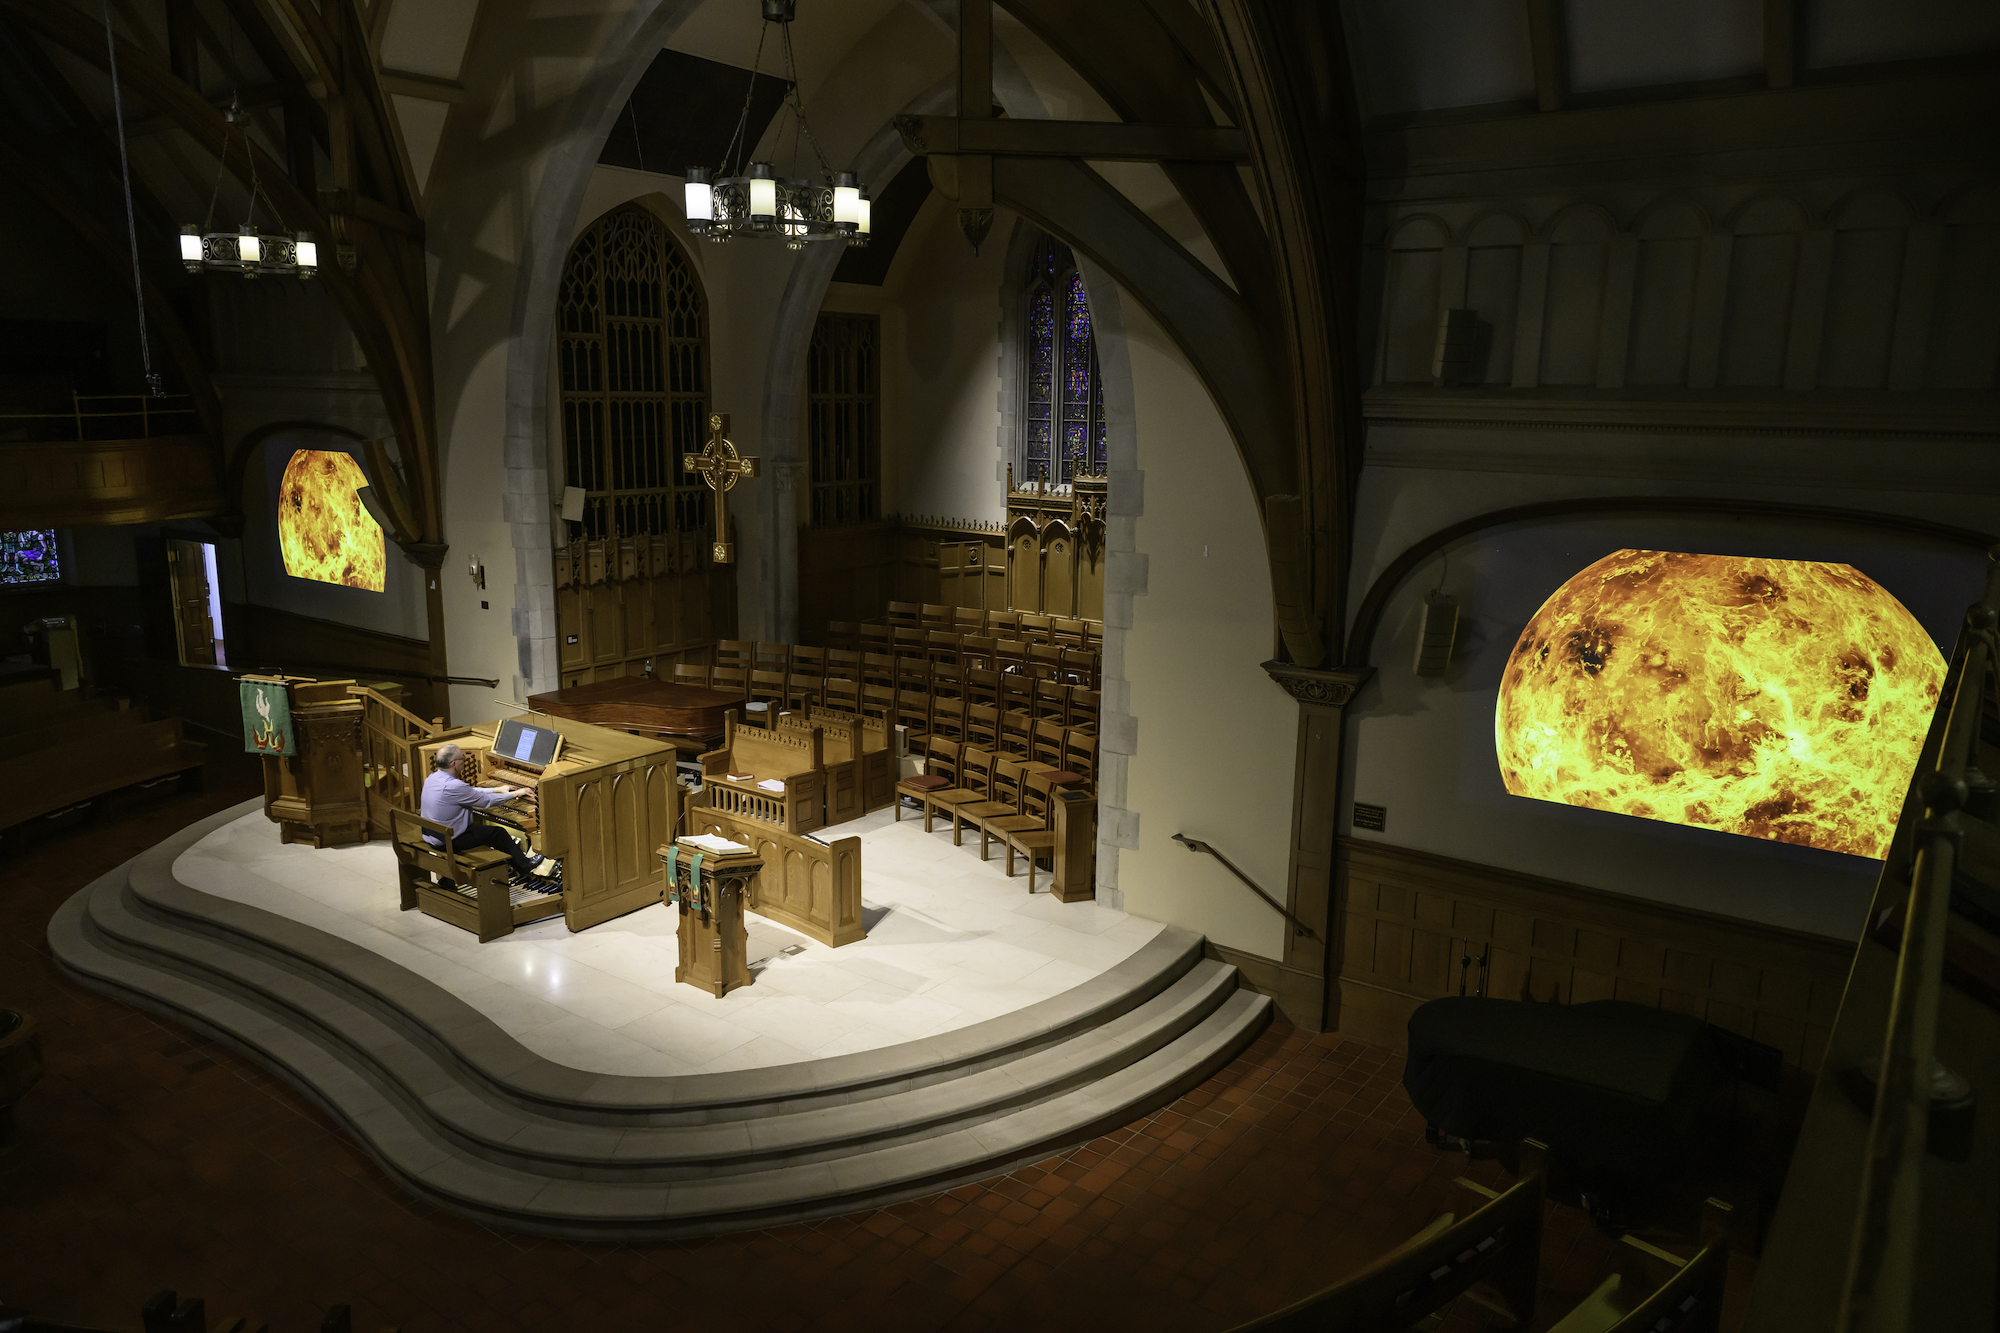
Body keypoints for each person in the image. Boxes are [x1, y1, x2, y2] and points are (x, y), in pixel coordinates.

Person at [420, 743, 556, 880]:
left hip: (433, 835)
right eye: (463, 759)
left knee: (484, 830)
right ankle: (524, 864)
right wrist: (514, 794)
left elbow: (468, 791)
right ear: (454, 763)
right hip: (449, 841)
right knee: (498, 834)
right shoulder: (453, 785)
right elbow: (485, 801)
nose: (465, 762)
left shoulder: (433, 778)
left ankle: (506, 864)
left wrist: (497, 789)